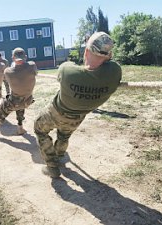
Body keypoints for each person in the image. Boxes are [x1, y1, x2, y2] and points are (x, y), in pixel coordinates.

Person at [34, 32, 122, 178]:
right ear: (108, 54)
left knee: (40, 130)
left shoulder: (67, 70)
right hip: (77, 118)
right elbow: (108, 65)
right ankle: (59, 156)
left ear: (86, 51)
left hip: (56, 113)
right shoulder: (114, 72)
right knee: (64, 136)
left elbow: (72, 68)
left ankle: (52, 166)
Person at [0, 47, 37, 136]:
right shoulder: (32, 66)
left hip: (14, 101)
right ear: (25, 57)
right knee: (20, 105)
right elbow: (30, 69)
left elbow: (11, 72)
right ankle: (20, 127)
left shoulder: (8, 71)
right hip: (28, 100)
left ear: (13, 58)